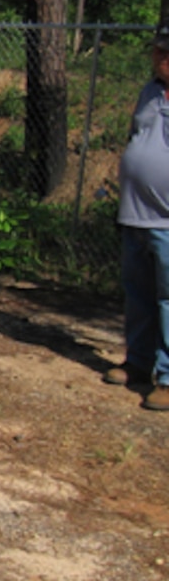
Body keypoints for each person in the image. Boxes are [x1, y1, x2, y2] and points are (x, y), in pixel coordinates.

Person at [102, 23, 169, 411]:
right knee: (140, 295)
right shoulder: (149, 94)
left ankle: (166, 376)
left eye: (166, 52)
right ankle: (139, 363)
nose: (159, 58)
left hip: (165, 221)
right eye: (157, 51)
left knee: (167, 299)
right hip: (137, 214)